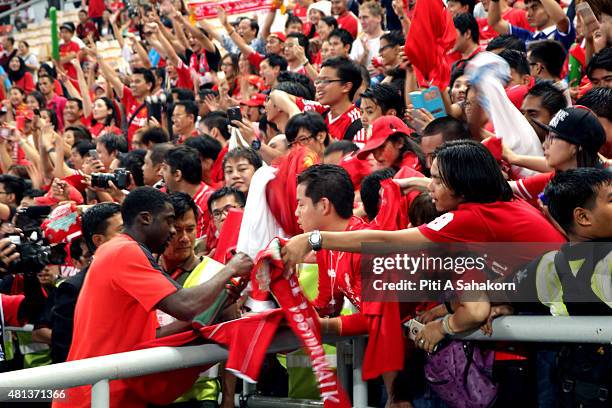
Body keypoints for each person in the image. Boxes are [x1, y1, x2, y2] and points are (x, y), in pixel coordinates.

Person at [53, 187, 253, 408]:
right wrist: (231, 268)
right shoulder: (124, 251)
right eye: (169, 222)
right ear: (146, 219)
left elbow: (154, 334)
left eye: (188, 228)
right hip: (98, 395)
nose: (173, 233)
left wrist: (219, 301)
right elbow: (185, 306)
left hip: (109, 390)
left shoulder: (117, 250)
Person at [49, 202, 123, 363]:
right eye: (121, 230)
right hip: (92, 382)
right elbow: (62, 352)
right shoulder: (74, 289)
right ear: (98, 240)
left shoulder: (141, 273)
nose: (131, 235)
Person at [508, 106, 606, 206]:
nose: (544, 144)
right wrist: (513, 158)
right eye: (547, 136)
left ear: (576, 147)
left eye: (553, 138)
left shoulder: (603, 191)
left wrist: (551, 217)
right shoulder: (560, 176)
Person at [272, 57, 366, 145]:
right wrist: (294, 112)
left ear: (346, 87)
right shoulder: (320, 110)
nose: (319, 86)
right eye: (318, 81)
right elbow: (276, 94)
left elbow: (356, 160)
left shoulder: (359, 123)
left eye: (326, 81)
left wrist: (319, 135)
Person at [160, 145, 213, 239]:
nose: (160, 173)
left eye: (164, 168)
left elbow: (197, 246)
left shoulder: (208, 204)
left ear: (177, 175)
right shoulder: (163, 193)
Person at [488, 0, 575, 51]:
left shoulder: (560, 34)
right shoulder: (526, 36)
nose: (529, 14)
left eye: (534, 8)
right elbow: (495, 22)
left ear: (548, 8)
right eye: (527, 9)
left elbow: (561, 19)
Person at [356, 115, 427, 175]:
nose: (377, 156)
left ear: (399, 142)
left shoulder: (411, 163)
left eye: (381, 147)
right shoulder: (393, 165)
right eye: (373, 150)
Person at [350, 1, 385, 68]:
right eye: (360, 18)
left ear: (378, 18)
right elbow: (353, 71)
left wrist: (382, 70)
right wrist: (365, 54)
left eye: (365, 17)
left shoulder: (390, 38)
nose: (362, 22)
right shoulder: (357, 42)